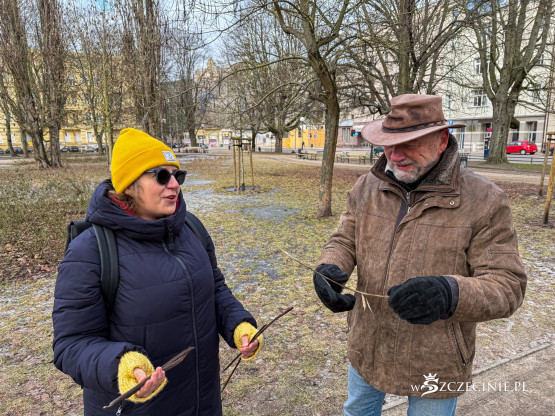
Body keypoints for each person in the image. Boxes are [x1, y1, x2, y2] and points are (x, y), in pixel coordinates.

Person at [313, 94, 526, 416]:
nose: (395, 156)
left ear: (442, 140)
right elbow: (344, 239)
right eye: (388, 144)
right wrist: (329, 267)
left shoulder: (485, 200)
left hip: (435, 358)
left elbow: (508, 285)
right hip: (368, 343)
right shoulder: (367, 187)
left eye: (409, 143)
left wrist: (449, 293)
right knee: (357, 411)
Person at [53, 128, 262, 415]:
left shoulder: (191, 229)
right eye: (161, 176)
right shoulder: (90, 250)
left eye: (177, 175)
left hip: (203, 403)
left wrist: (238, 324)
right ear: (128, 186)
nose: (174, 184)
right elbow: (71, 344)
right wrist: (121, 366)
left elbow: (214, 290)